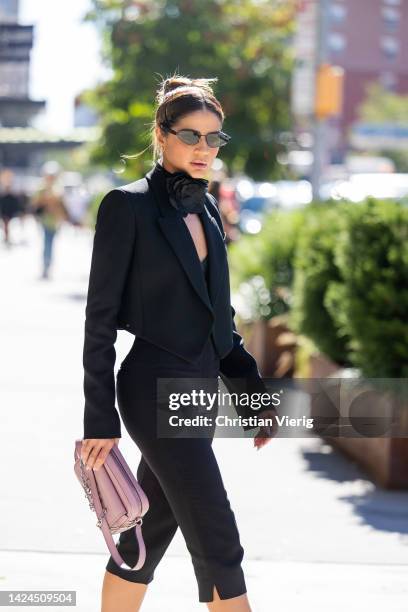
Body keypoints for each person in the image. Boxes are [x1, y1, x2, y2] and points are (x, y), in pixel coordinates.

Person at [80, 74, 279, 612]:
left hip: (196, 393)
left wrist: (252, 396)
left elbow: (221, 322)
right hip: (150, 389)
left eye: (214, 138)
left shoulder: (208, 210)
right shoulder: (126, 207)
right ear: (162, 135)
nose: (203, 149)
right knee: (217, 532)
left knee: (151, 530)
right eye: (191, 136)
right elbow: (98, 321)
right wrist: (100, 419)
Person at [30, 162, 69, 279]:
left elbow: (61, 204)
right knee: (47, 242)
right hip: (44, 219)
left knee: (50, 242)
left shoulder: (58, 188)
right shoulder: (41, 188)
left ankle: (48, 265)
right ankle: (46, 265)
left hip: (55, 220)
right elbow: (35, 203)